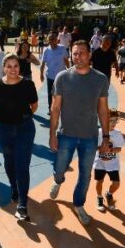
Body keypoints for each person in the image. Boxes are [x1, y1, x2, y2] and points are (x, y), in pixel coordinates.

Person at [49, 40, 111, 226]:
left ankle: (78, 205)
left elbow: (103, 109)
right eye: (75, 53)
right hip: (66, 134)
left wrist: (106, 137)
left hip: (89, 137)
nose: (78, 57)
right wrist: (52, 134)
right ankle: (58, 180)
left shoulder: (100, 79)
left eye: (82, 53)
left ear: (90, 54)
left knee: (85, 174)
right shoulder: (62, 77)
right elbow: (55, 108)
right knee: (60, 168)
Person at [0, 53, 38, 221]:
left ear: (20, 67)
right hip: (4, 129)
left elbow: (34, 105)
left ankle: (22, 204)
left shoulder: (28, 84)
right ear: (3, 68)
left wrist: (22, 118)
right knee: (9, 161)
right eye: (8, 66)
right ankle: (14, 187)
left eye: (15, 66)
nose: (12, 69)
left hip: (25, 129)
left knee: (22, 165)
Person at [93, 109, 125, 212]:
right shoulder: (99, 132)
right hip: (100, 163)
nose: (114, 123)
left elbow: (119, 148)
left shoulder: (118, 134)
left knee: (116, 184)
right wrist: (101, 148)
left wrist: (110, 149)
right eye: (111, 120)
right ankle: (99, 197)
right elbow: (95, 146)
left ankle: (109, 194)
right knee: (99, 181)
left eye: (115, 120)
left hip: (113, 164)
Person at [40, 32, 70, 114]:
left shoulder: (62, 48)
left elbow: (66, 61)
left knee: (62, 93)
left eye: (53, 39)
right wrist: (41, 74)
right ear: (48, 41)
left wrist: (70, 71)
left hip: (62, 76)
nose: (51, 40)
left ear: (57, 40)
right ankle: (51, 109)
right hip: (50, 76)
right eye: (50, 39)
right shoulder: (46, 50)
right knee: (51, 93)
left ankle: (63, 108)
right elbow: (42, 63)